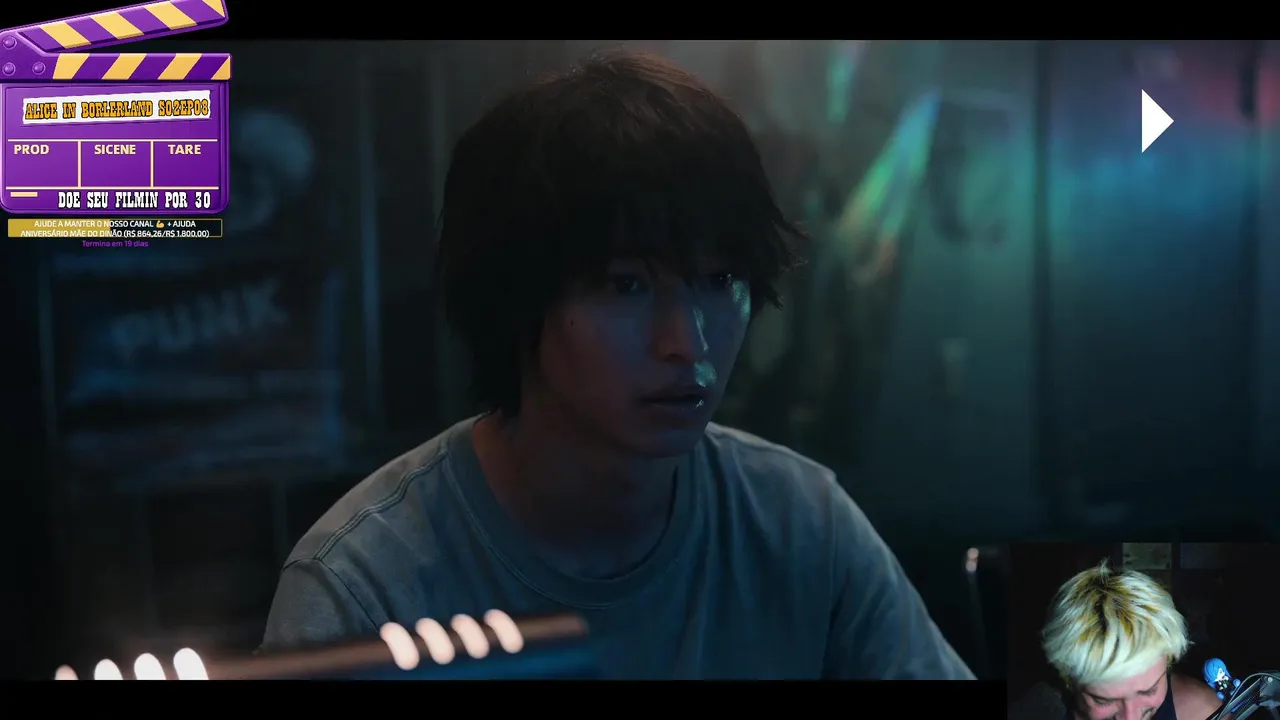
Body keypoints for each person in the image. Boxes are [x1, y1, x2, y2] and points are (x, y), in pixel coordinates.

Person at [261, 50, 972, 680]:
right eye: (626, 285)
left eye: (719, 279)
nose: (686, 342)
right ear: (515, 298)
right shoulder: (368, 587)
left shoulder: (799, 525)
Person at [1042, 561, 1224, 720]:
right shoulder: (1035, 710)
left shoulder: (1202, 711)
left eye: (1149, 691)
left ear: (1168, 661)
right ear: (1068, 679)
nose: (1131, 717)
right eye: (1103, 700)